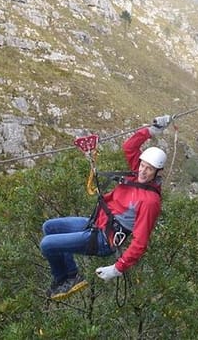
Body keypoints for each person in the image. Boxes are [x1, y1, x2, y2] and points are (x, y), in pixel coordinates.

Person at [40, 115, 171, 300]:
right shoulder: (137, 175)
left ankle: (64, 279)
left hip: (104, 239)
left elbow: (140, 243)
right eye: (142, 165)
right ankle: (71, 274)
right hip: (96, 223)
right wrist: (151, 131)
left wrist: (117, 268)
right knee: (49, 227)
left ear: (157, 172)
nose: (143, 170)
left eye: (149, 169)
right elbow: (129, 147)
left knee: (47, 245)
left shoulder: (150, 202)